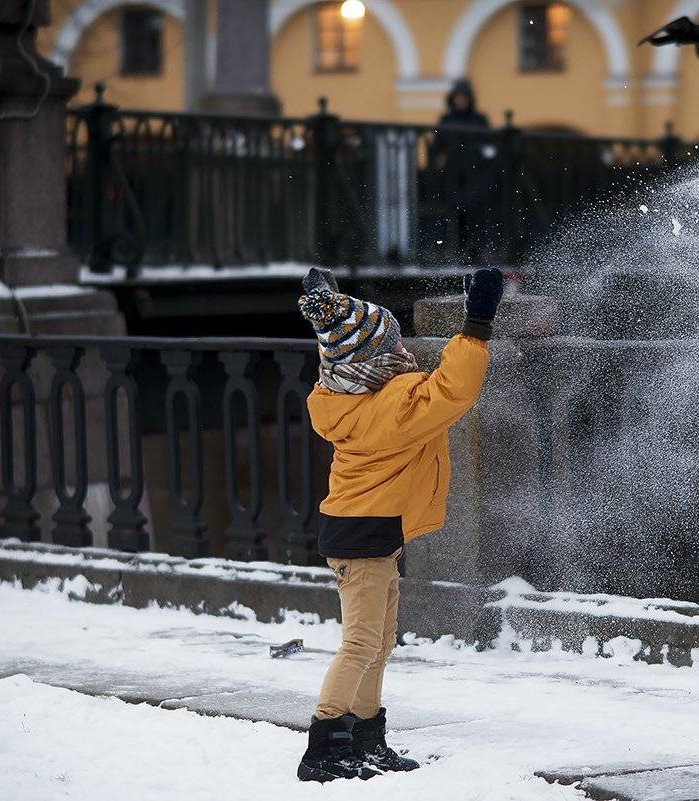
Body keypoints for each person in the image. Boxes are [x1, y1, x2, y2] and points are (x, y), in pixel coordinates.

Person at [295, 266, 503, 781]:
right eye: (394, 346)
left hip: (369, 533)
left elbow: (341, 345)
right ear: (377, 362)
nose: (404, 352)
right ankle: (324, 744)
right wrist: (476, 322)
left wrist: (328, 303)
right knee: (362, 643)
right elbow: (453, 390)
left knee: (378, 642)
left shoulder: (345, 396)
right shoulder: (394, 409)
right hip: (363, 538)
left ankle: (366, 738)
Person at [431, 79, 492, 261]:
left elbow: (487, 145)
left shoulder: (479, 119)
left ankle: (475, 249)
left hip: (475, 173)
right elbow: (437, 146)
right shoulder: (446, 120)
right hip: (453, 173)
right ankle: (455, 249)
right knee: (455, 211)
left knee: (475, 212)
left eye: (463, 97)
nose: (460, 101)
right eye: (458, 97)